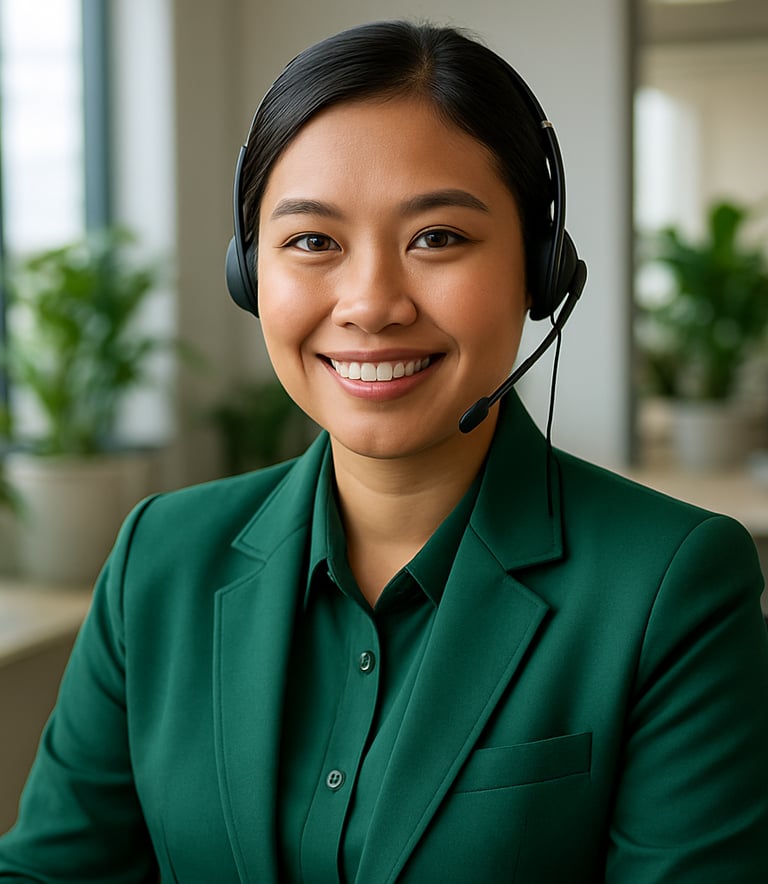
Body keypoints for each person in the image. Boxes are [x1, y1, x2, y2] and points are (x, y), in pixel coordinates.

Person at [1, 19, 768, 883]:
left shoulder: (672, 586)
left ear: (541, 270)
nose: (370, 304)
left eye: (437, 237)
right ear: (250, 273)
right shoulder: (159, 559)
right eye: (313, 242)